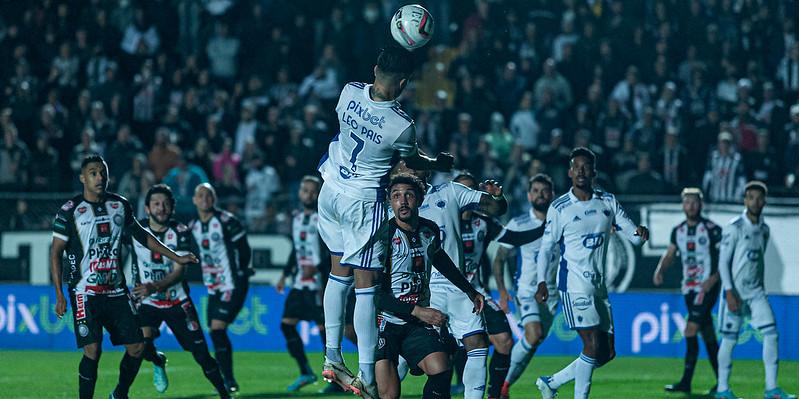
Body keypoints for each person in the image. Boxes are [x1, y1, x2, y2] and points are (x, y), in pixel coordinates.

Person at [316, 44, 453, 399]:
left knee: (337, 273)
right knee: (366, 286)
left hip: (330, 187)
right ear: (405, 83)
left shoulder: (348, 93)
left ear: (375, 69)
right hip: (362, 200)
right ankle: (366, 374)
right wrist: (438, 163)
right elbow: (413, 161)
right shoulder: (401, 125)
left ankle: (332, 355)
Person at [50, 154, 197, 399]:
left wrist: (177, 257)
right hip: (85, 293)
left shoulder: (120, 204)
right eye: (94, 173)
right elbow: (55, 253)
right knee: (93, 350)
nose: (100, 177)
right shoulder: (70, 211)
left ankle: (120, 393)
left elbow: (144, 237)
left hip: (117, 292)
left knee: (137, 347)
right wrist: (59, 294)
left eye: (103, 172)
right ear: (82, 178)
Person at [534, 147, 649, 399]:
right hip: (573, 284)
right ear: (569, 172)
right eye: (577, 167)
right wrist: (542, 281)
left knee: (606, 352)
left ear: (594, 171)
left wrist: (641, 234)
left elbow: (634, 237)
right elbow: (546, 248)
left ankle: (552, 383)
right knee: (592, 345)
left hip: (599, 285)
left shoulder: (607, 201)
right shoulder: (560, 207)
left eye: (586, 166)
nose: (581, 171)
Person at [394, 161, 507, 399]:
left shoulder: (450, 191)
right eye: (407, 165)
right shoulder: (394, 204)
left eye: (417, 162)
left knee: (477, 342)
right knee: (412, 355)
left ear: (427, 169)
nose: (412, 168)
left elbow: (495, 208)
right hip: (422, 291)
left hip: (458, 286)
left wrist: (497, 198)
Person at [374, 173, 485, 399]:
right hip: (385, 324)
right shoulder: (383, 236)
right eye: (396, 196)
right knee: (388, 396)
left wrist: (470, 290)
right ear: (389, 202)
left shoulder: (429, 230)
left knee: (442, 370)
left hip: (414, 324)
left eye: (408, 195)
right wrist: (418, 311)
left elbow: (440, 259)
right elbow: (375, 294)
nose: (402, 201)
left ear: (420, 200)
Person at [128, 184, 229, 398]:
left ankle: (224, 393)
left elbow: (179, 272)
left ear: (172, 208)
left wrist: (153, 286)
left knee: (201, 354)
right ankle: (157, 360)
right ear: (146, 208)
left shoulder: (180, 231)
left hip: (177, 302)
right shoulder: (136, 231)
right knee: (141, 347)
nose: (161, 208)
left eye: (165, 204)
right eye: (156, 204)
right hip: (147, 302)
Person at [451, 172, 546, 399]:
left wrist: (546, 228)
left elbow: (512, 238)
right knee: (432, 357)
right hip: (441, 293)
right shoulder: (439, 218)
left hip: (475, 293)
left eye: (471, 189)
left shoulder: (482, 222)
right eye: (461, 189)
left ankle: (495, 394)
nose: (466, 194)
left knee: (504, 341)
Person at [715, 182, 795, 399]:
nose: (755, 202)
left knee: (771, 333)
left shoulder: (764, 229)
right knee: (729, 339)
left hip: (756, 292)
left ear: (765, 201)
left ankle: (771, 389)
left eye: (760, 198)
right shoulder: (734, 227)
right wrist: (729, 291)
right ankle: (722, 389)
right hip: (736, 292)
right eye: (751, 198)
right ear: (745, 200)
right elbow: (723, 262)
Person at [494, 174, 560, 399]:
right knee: (534, 335)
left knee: (535, 341)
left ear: (552, 195)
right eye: (536, 191)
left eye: (545, 191)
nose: (540, 195)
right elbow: (499, 258)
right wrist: (502, 290)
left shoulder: (561, 222)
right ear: (529, 195)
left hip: (552, 295)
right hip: (527, 291)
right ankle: (501, 382)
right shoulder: (519, 224)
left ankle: (505, 386)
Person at [652, 188, 721, 394]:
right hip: (689, 288)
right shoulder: (678, 230)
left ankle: (686, 382)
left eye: (694, 202)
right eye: (687, 202)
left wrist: (714, 279)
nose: (690, 206)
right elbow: (670, 254)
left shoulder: (711, 229)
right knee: (707, 334)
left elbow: (725, 258)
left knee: (690, 330)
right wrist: (659, 270)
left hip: (706, 287)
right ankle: (722, 381)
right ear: (682, 205)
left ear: (701, 204)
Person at [190, 183, 253, 394]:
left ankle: (228, 379)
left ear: (214, 198)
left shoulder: (226, 221)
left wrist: (243, 270)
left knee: (217, 328)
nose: (205, 199)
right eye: (201, 195)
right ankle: (227, 379)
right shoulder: (192, 227)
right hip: (212, 286)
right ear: (194, 200)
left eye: (209, 195)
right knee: (215, 332)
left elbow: (244, 248)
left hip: (233, 283)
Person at [275, 176, 330, 392]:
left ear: (318, 194)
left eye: (312, 191)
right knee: (286, 324)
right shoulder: (296, 218)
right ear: (299, 193)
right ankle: (306, 371)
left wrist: (316, 268)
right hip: (299, 283)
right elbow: (296, 251)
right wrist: (284, 274)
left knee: (326, 331)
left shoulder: (325, 218)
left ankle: (334, 379)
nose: (308, 194)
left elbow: (333, 252)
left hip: (319, 284)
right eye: (305, 190)